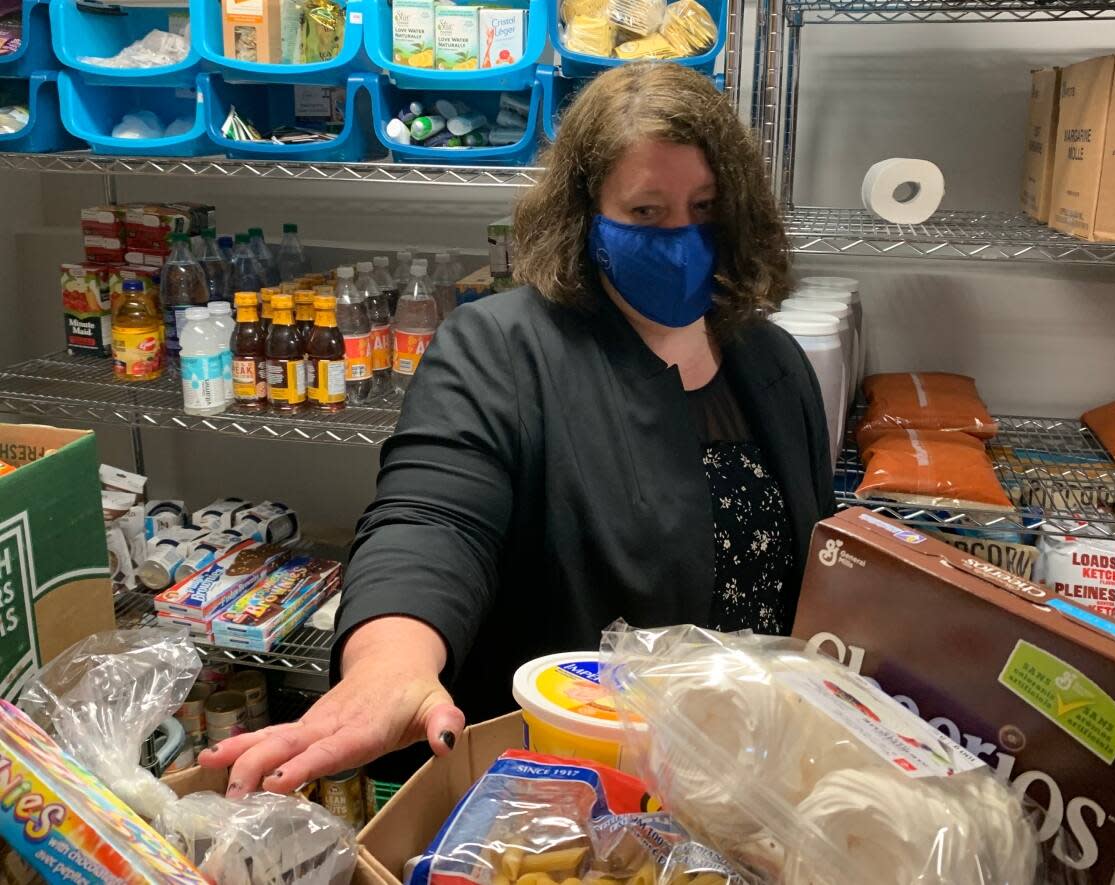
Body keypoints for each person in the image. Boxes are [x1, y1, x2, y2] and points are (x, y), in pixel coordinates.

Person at [202, 62, 835, 797]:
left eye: (705, 207)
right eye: (647, 213)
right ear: (585, 213)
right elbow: (430, 518)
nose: (683, 238)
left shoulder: (770, 359)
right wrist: (391, 664)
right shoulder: (500, 348)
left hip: (748, 783)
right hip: (574, 796)